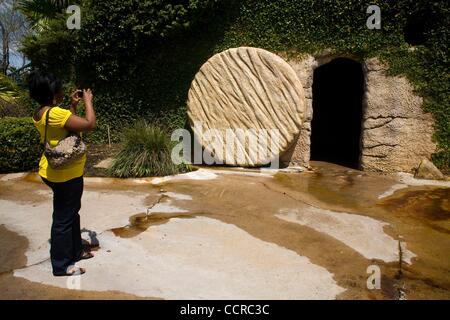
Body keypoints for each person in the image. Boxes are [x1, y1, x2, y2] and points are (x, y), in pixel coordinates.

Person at [30, 71, 96, 276]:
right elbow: (89, 124)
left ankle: (75, 250)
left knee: (70, 213)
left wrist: (73, 106)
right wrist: (87, 101)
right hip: (66, 175)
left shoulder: (41, 112)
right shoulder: (57, 114)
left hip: (53, 171)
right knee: (63, 218)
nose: (61, 91)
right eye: (58, 88)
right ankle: (62, 265)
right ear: (52, 92)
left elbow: (65, 127)